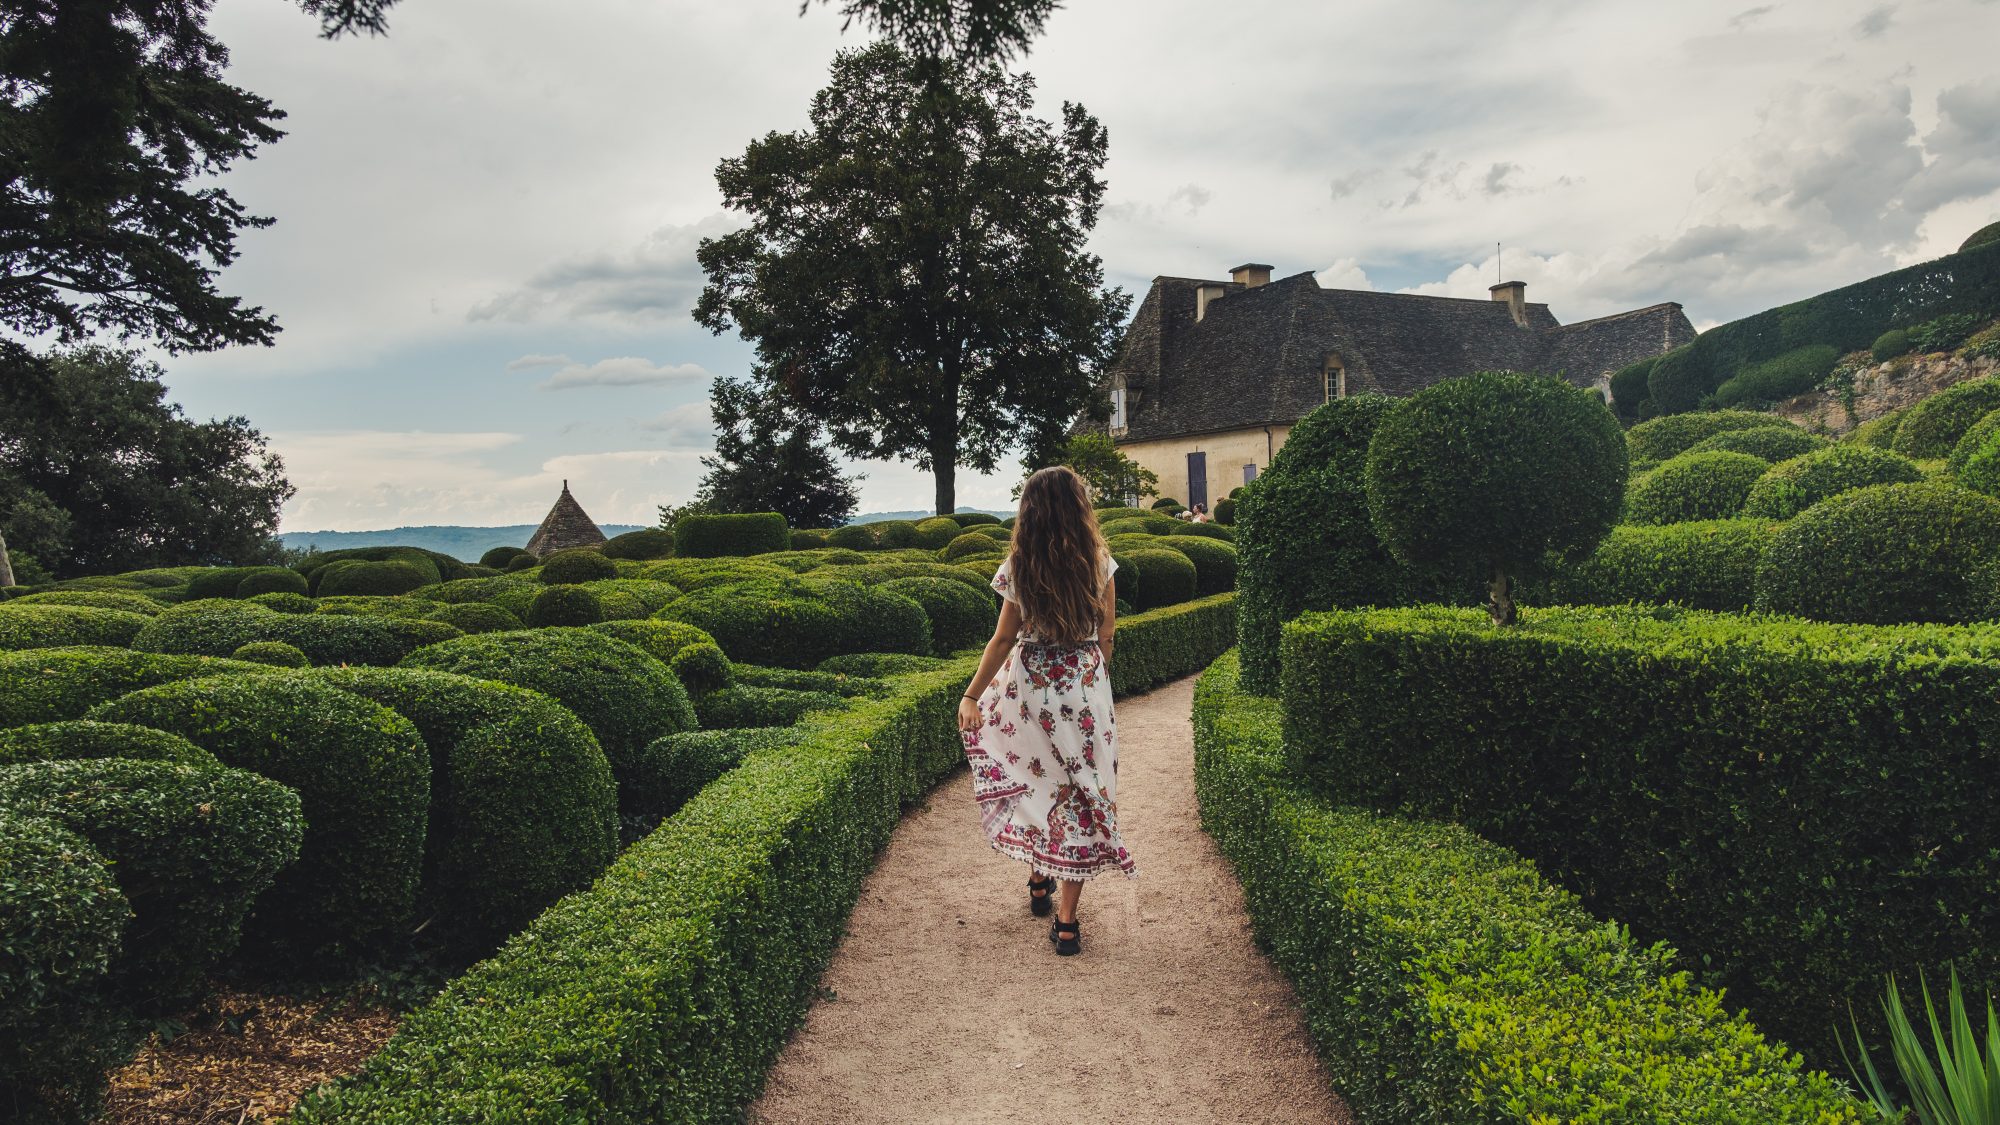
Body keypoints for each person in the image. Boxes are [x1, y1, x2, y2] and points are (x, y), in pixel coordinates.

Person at [958, 465, 1134, 956]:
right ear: (1079, 505)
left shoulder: (1019, 563)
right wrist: (1091, 681)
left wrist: (973, 695)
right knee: (1082, 791)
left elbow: (1003, 638)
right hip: (1083, 685)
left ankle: (1039, 882)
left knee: (1038, 781)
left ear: (1028, 510)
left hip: (1030, 687)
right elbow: (1107, 635)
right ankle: (1067, 924)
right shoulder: (1100, 562)